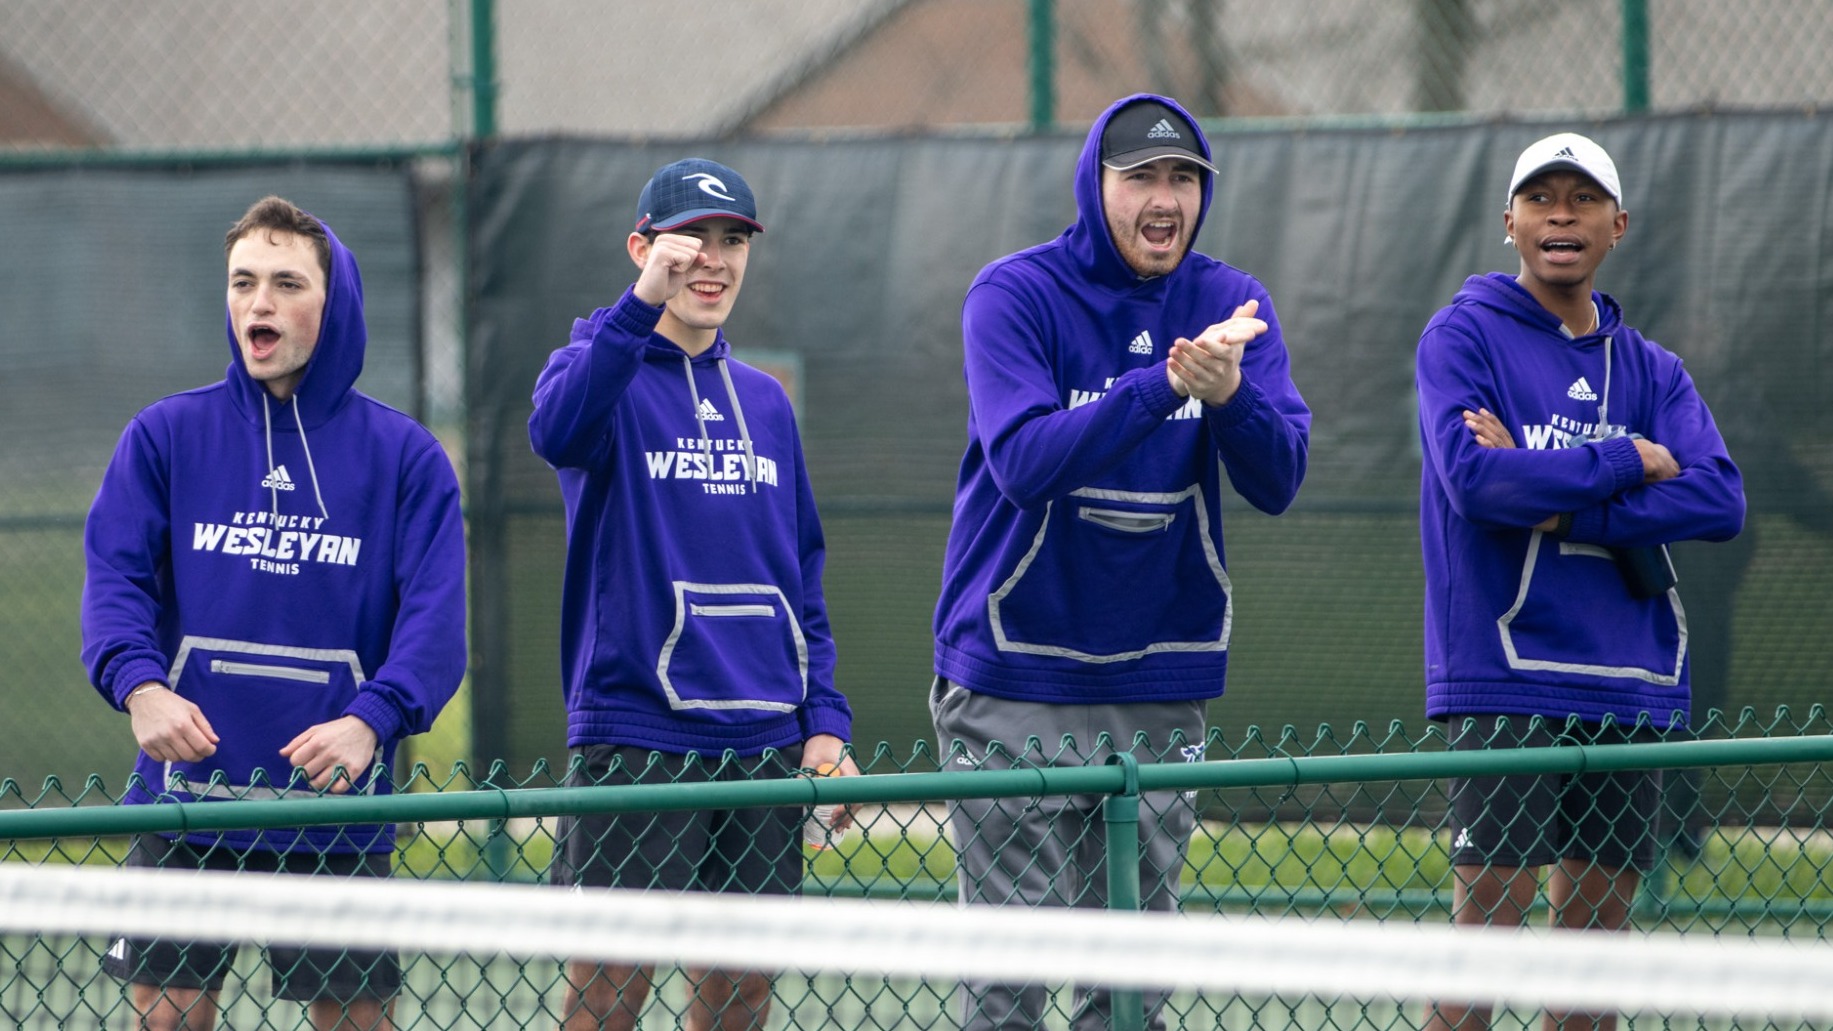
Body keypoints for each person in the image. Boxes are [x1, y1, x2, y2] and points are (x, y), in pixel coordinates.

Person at [929, 94, 1311, 1031]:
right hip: (1014, 668)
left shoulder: (1231, 302)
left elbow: (1280, 477)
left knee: (1128, 982)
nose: (1164, 198)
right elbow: (1024, 461)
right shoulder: (1013, 295)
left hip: (1157, 674)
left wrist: (1229, 400)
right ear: (1095, 183)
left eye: (1183, 178)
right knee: (1011, 981)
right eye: (1140, 175)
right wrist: (1165, 385)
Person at [80, 195, 468, 1031]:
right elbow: (114, 582)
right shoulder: (164, 436)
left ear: (337, 304)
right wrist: (139, 686)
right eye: (243, 282)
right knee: (168, 1017)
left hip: (335, 805)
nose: (259, 302)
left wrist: (371, 722)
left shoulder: (406, 458)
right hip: (186, 801)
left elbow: (435, 628)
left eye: (286, 282)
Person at [1414, 133, 1745, 1031]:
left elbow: (1718, 497)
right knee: (1485, 928)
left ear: (1617, 224)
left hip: (1628, 680)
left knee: (1593, 947)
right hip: (1507, 670)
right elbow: (1476, 483)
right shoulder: (1461, 336)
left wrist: (1564, 505)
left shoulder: (1652, 368)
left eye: (1583, 198)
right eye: (1542, 197)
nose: (1562, 213)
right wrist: (1623, 460)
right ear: (1510, 222)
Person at [528, 157, 857, 1031]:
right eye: (689, 242)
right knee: (607, 996)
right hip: (639, 731)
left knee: (740, 994)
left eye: (731, 241)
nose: (712, 260)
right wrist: (639, 305)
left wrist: (822, 721)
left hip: (760, 735)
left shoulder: (766, 401)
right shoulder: (593, 366)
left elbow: (800, 576)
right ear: (642, 249)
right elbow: (556, 430)